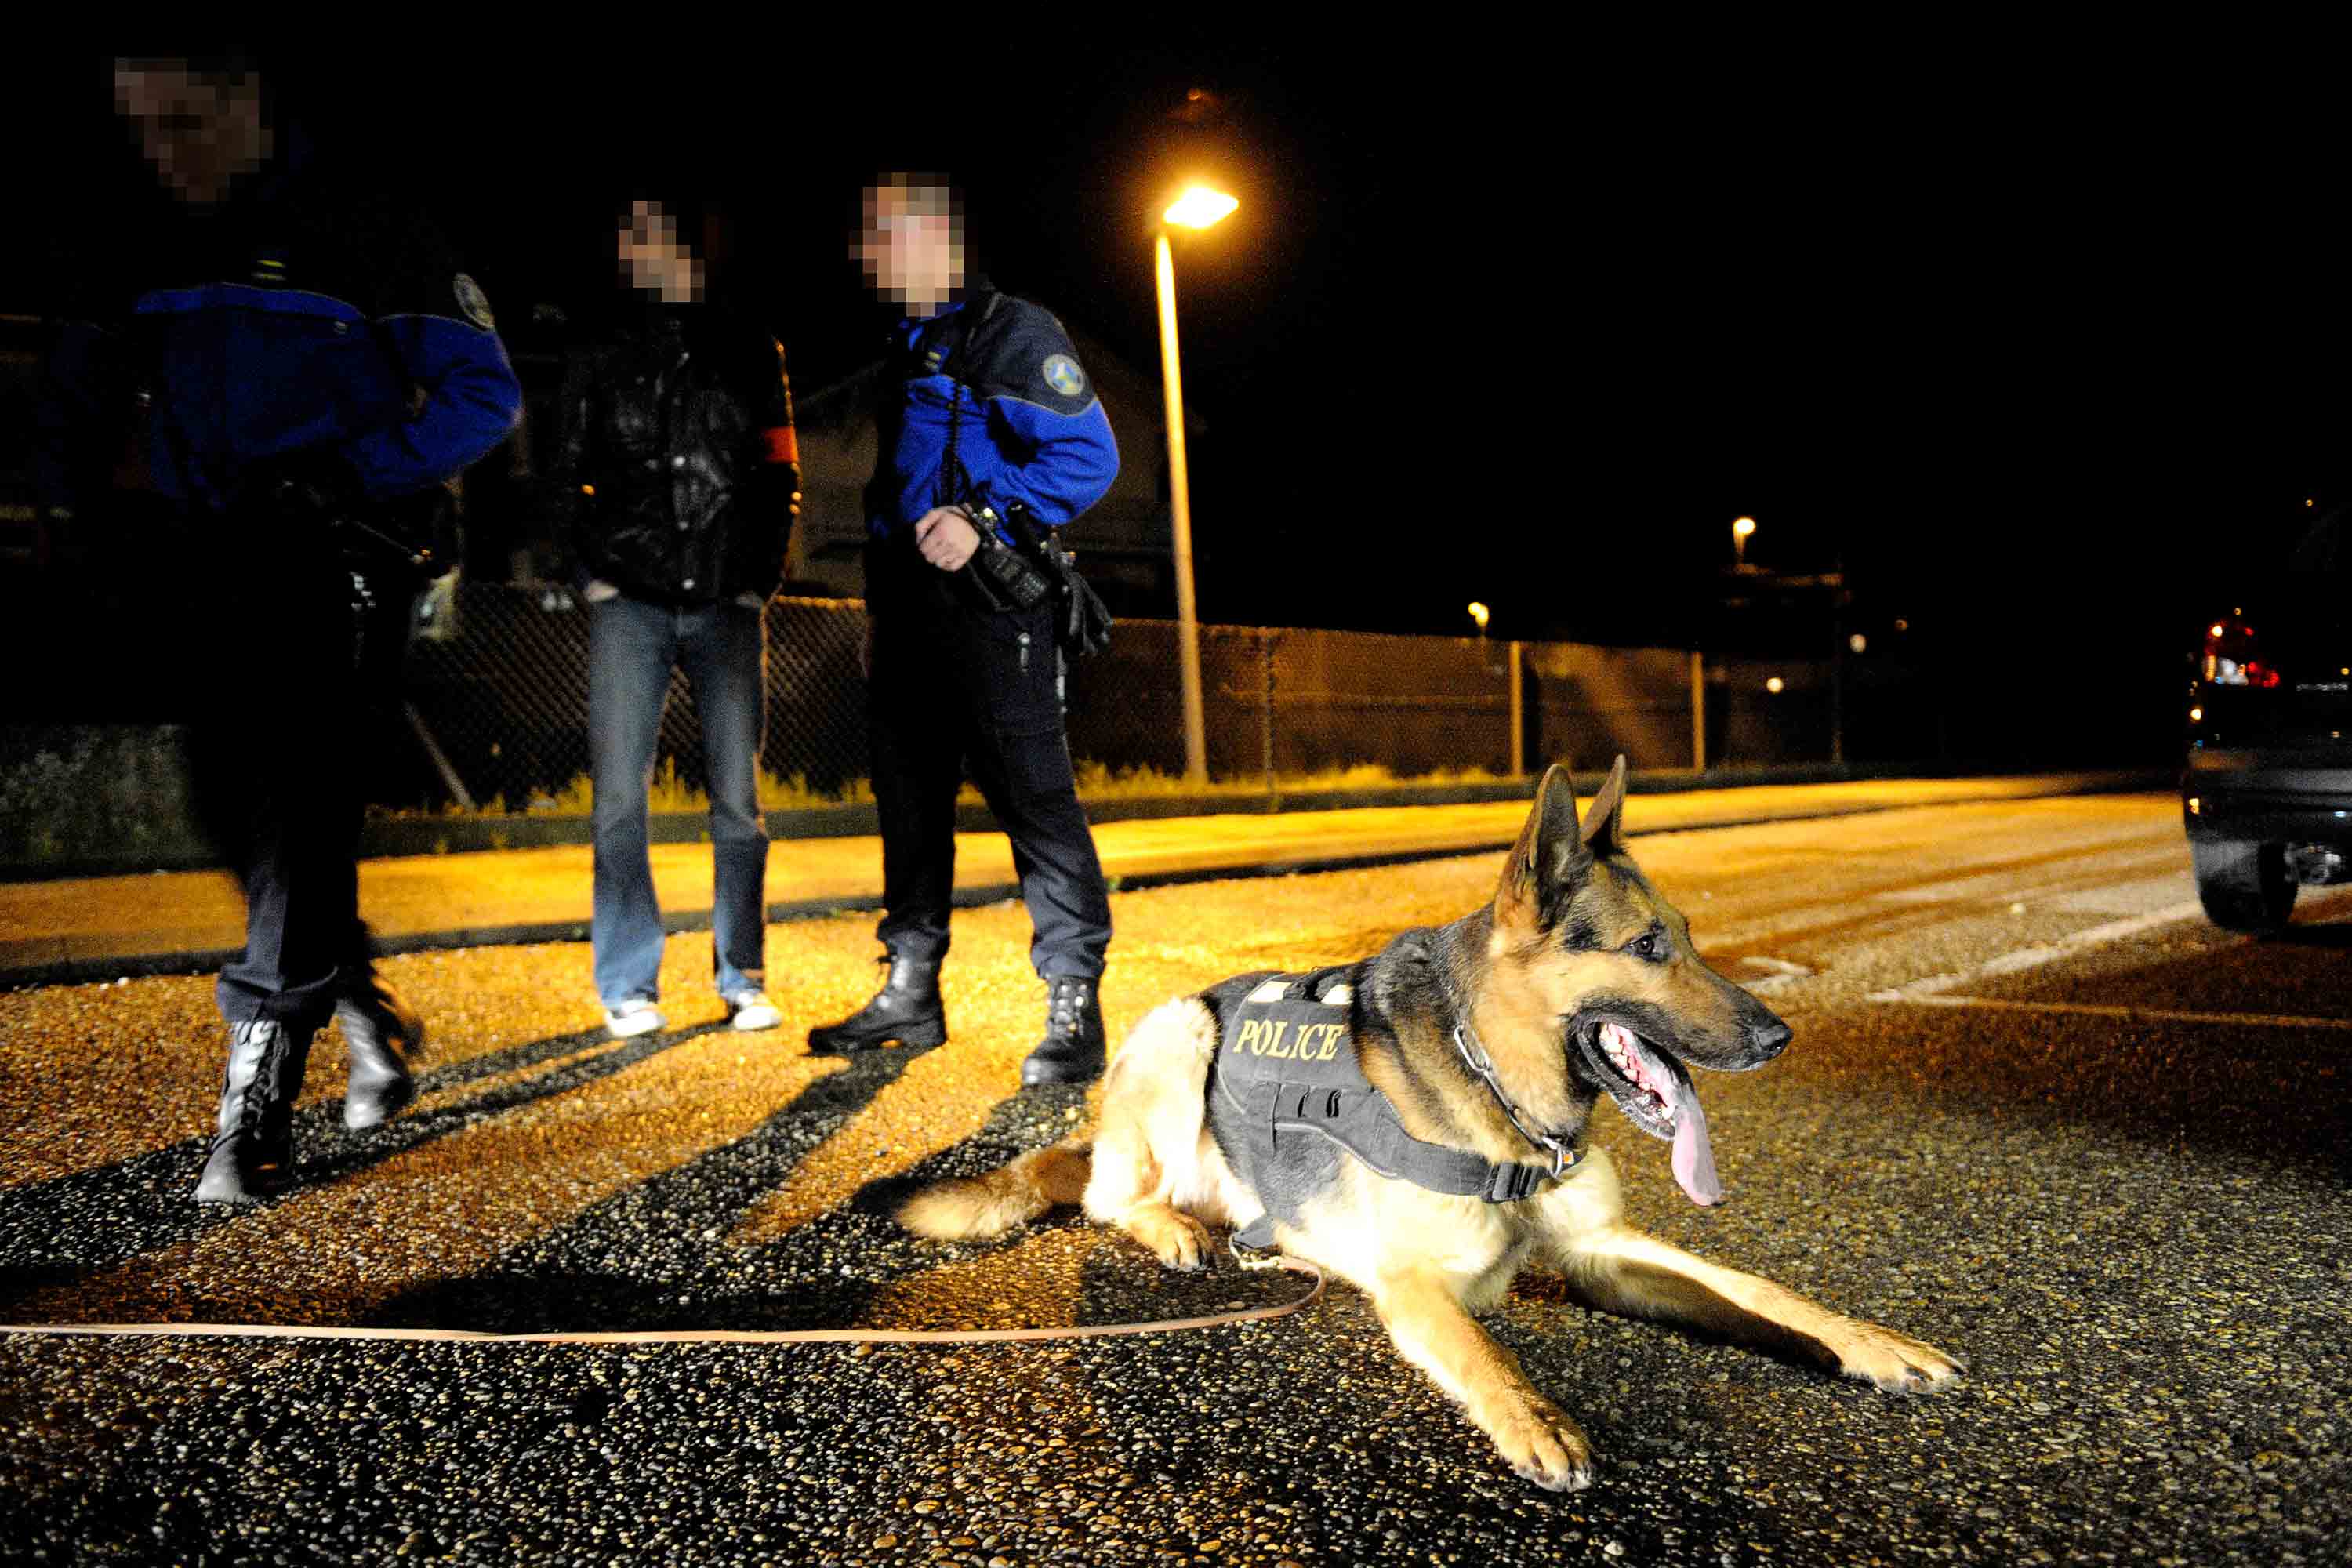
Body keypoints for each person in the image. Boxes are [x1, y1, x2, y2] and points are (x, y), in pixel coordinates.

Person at [38, 56, 523, 1202]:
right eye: (140, 127)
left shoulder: (368, 227)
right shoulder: (140, 235)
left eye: (182, 121)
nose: (162, 149)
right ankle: (356, 1004)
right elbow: (73, 391)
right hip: (200, 561)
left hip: (333, 557)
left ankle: (255, 1091)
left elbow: (483, 394)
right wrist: (82, 516)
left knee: (299, 810)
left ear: (246, 106)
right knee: (236, 816)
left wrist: (348, 476)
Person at [808, 174, 1120, 1085]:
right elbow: (895, 495)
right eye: (868, 240)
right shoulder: (908, 345)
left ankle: (1074, 1006)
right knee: (909, 802)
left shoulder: (1010, 330)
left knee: (1034, 802)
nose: (871, 256)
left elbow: (1090, 454)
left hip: (993, 610)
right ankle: (911, 989)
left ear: (938, 242)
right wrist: (879, 611)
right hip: (910, 613)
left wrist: (985, 517)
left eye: (888, 238)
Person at [546, 199, 800, 1040]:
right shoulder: (598, 351)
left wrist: (757, 581)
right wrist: (588, 574)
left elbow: (779, 474)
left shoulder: (752, 348)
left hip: (727, 602)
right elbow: (563, 470)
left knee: (738, 802)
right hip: (631, 599)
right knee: (621, 801)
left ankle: (743, 976)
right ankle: (627, 983)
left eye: (664, 239)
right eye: (636, 241)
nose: (650, 254)